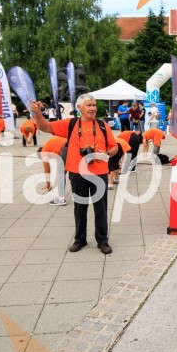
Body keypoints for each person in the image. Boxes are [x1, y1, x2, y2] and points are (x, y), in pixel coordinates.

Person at [30, 94, 117, 254]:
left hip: (99, 172)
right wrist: (37, 113)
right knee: (79, 208)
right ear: (79, 108)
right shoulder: (70, 124)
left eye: (94, 105)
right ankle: (80, 239)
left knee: (101, 208)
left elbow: (114, 147)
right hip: (77, 173)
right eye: (89, 105)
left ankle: (102, 241)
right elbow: (45, 127)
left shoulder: (103, 125)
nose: (93, 108)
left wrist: (106, 153)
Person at [39, 136, 69, 206]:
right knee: (72, 170)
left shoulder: (44, 151)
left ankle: (61, 199)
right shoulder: (53, 148)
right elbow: (60, 171)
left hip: (65, 146)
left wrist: (48, 183)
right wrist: (54, 185)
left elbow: (47, 170)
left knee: (61, 172)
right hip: (71, 144)